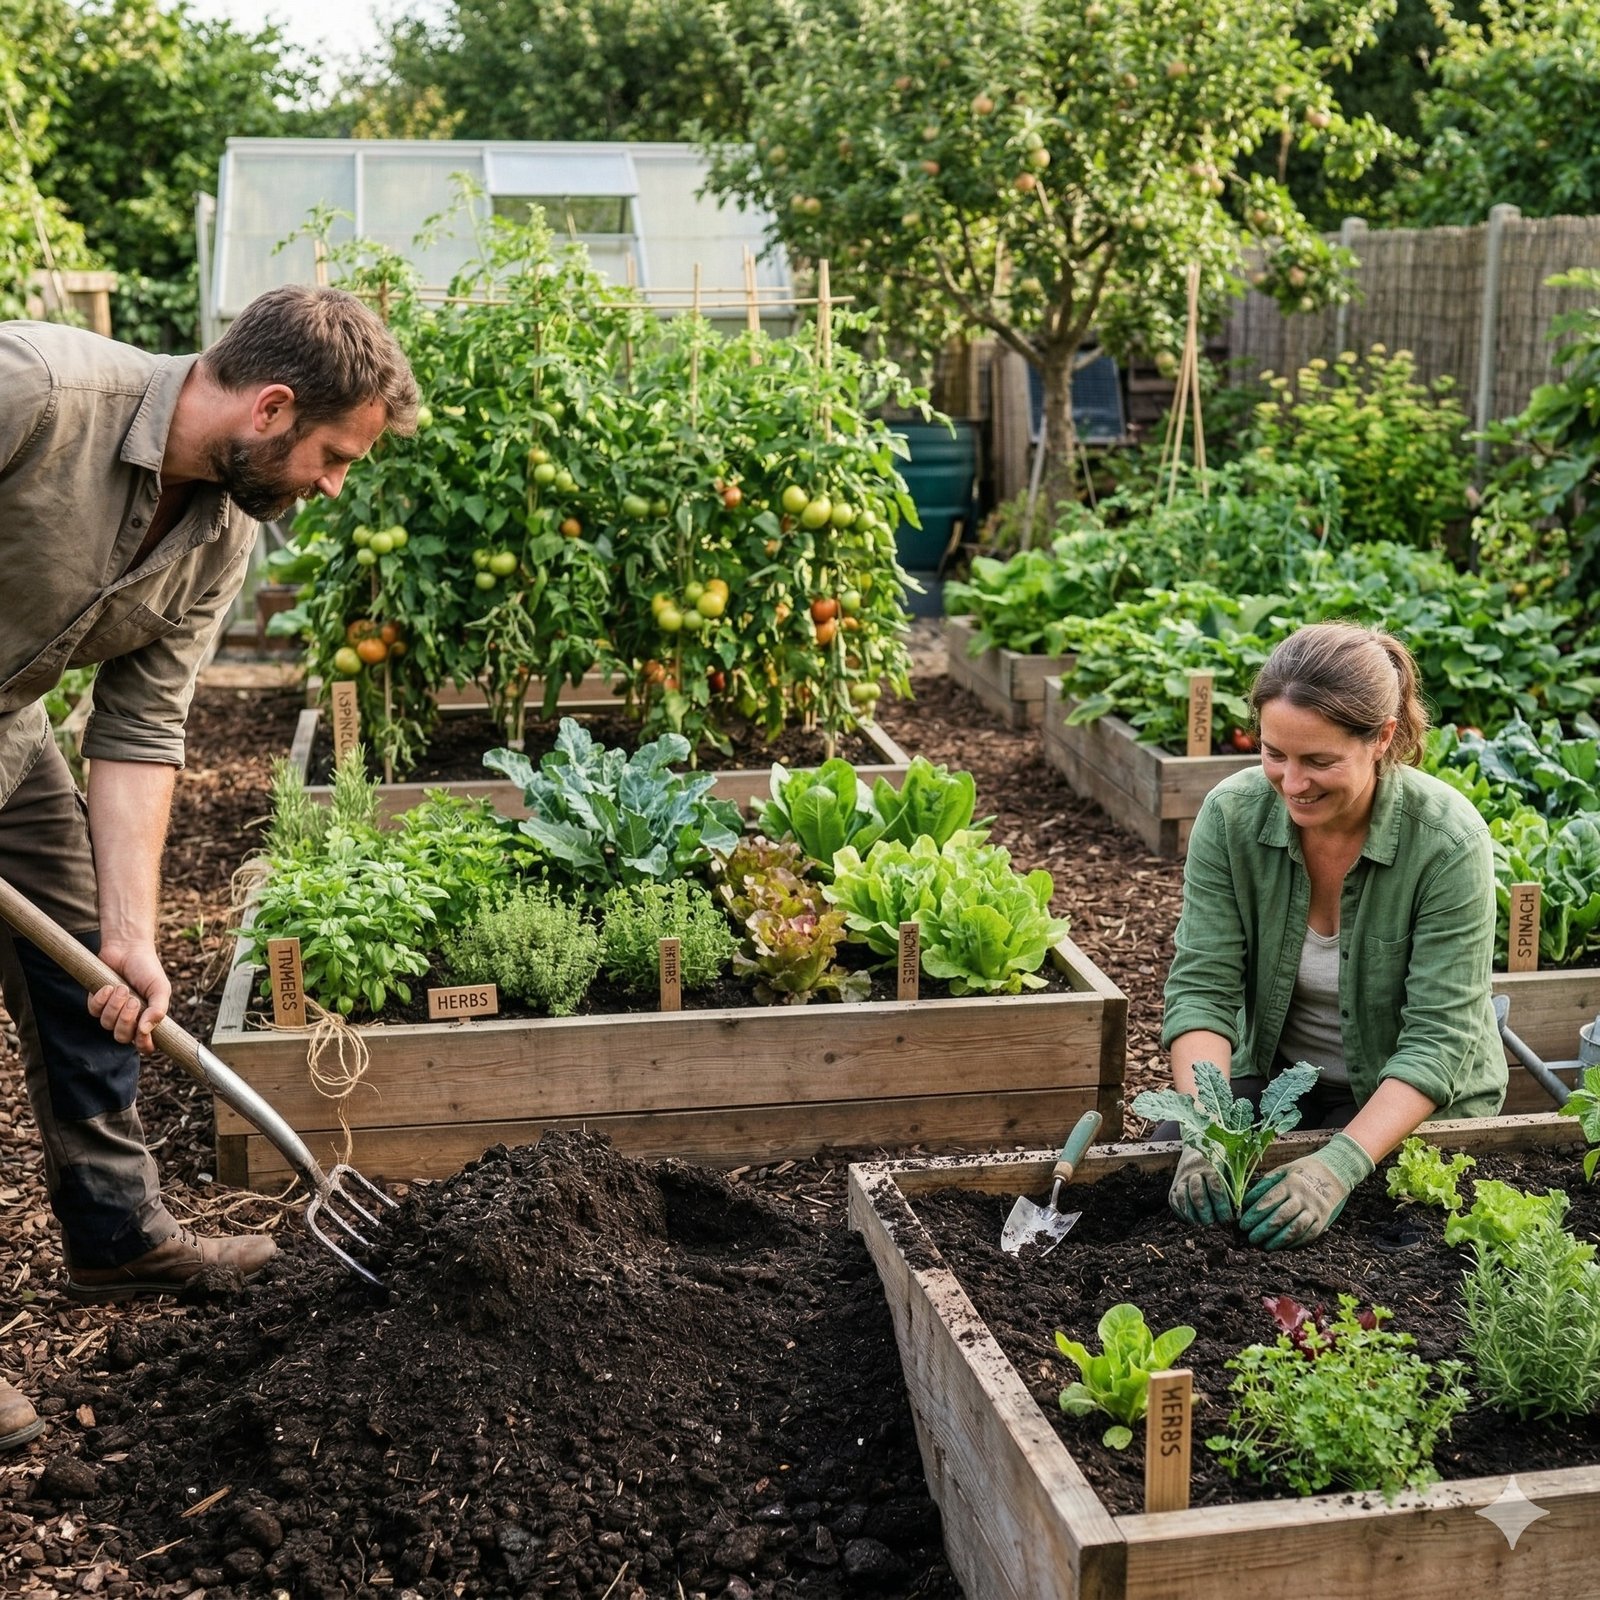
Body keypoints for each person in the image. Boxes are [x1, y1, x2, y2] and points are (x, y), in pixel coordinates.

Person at [0, 286, 418, 1450]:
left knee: (87, 976)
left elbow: (139, 729)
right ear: (271, 408)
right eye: (334, 457)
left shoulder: (224, 532)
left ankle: (116, 1232)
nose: (332, 488)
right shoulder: (35, 393)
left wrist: (131, 935)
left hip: (10, 730)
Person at [1158, 621, 1506, 1251]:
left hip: (1408, 1096)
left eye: (1319, 761)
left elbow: (1437, 1041)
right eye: (1274, 754)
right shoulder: (1232, 816)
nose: (1292, 783)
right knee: (1168, 1171)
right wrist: (1206, 1132)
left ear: (1382, 738)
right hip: (1278, 1072)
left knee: (1380, 1241)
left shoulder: (1447, 843)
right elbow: (1203, 991)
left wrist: (1337, 1167)